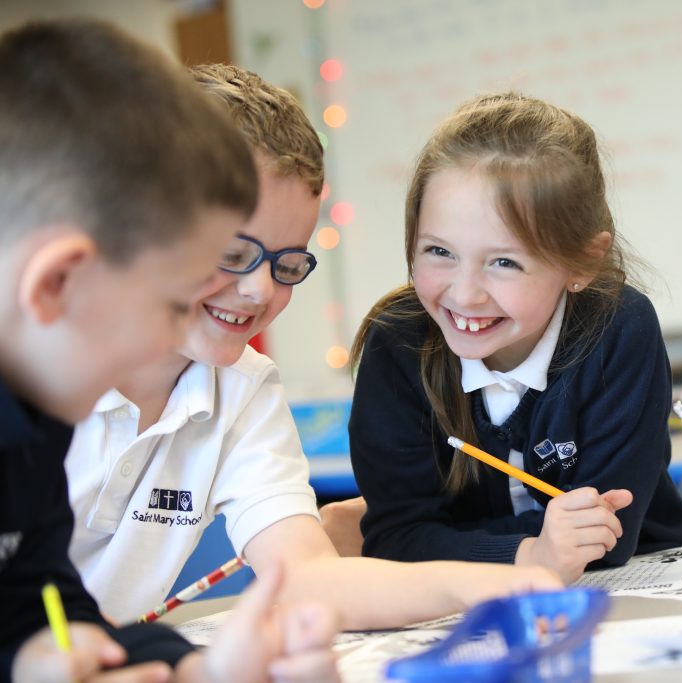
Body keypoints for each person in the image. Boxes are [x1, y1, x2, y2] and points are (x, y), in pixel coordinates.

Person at [65, 65, 562, 628]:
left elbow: (305, 578)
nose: (258, 289)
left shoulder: (242, 391)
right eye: (231, 254)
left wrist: (492, 583)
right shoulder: (32, 367)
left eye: (287, 264)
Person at [0, 19, 337, 683]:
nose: (166, 350)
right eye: (168, 306)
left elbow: (50, 613)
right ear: (56, 284)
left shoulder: (32, 429)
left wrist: (197, 670)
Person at [348, 91, 682, 584]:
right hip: (461, 602)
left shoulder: (619, 328)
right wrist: (532, 553)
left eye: (504, 262)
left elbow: (604, 539)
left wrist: (456, 543)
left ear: (583, 262)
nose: (465, 294)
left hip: (638, 590)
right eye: (439, 251)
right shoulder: (398, 342)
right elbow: (396, 541)